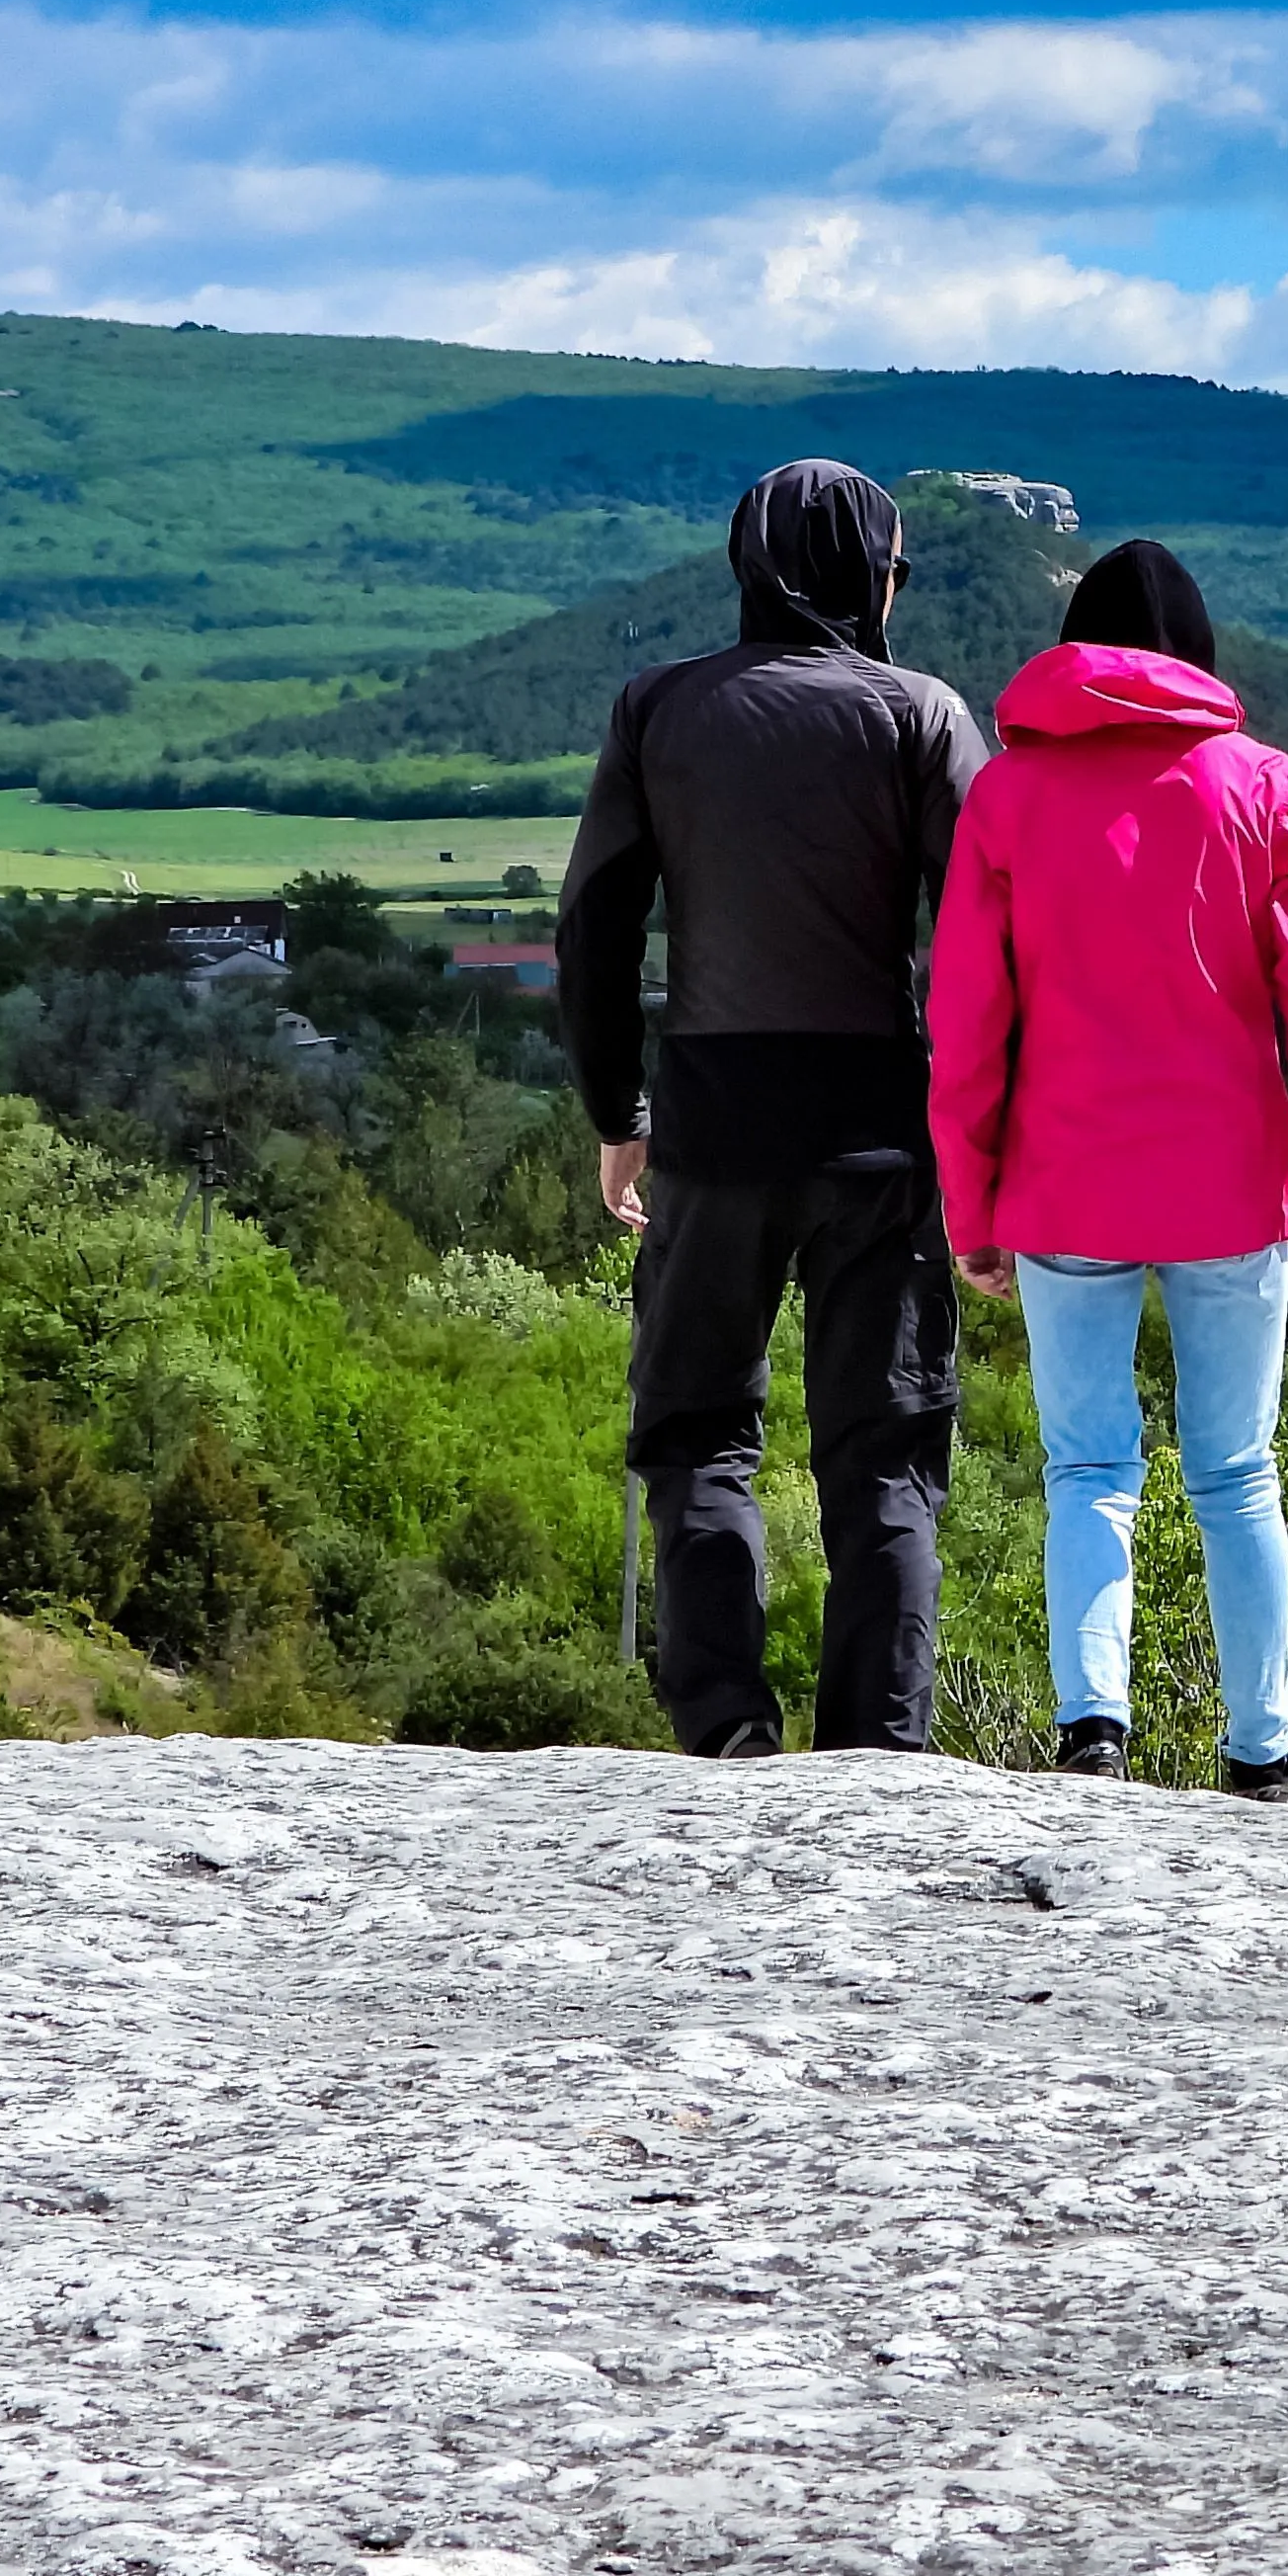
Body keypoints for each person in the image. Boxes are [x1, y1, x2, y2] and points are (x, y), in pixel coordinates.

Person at [927, 540, 1288, 1800]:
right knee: (1236, 1470)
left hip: (1063, 1187)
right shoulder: (1269, 788)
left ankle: (1095, 1732)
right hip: (1230, 1188)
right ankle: (1263, 1754)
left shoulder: (1009, 799)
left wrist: (969, 1204)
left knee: (1089, 1467)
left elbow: (966, 1019)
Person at [556, 460, 989, 1760]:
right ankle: (880, 1745)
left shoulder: (658, 710)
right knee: (889, 1452)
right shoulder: (919, 714)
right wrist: (986, 1138)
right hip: (881, 1129)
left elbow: (593, 924)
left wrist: (616, 1105)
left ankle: (726, 1720)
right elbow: (988, 931)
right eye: (896, 569)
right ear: (874, 575)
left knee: (696, 1429)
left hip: (713, 1123)